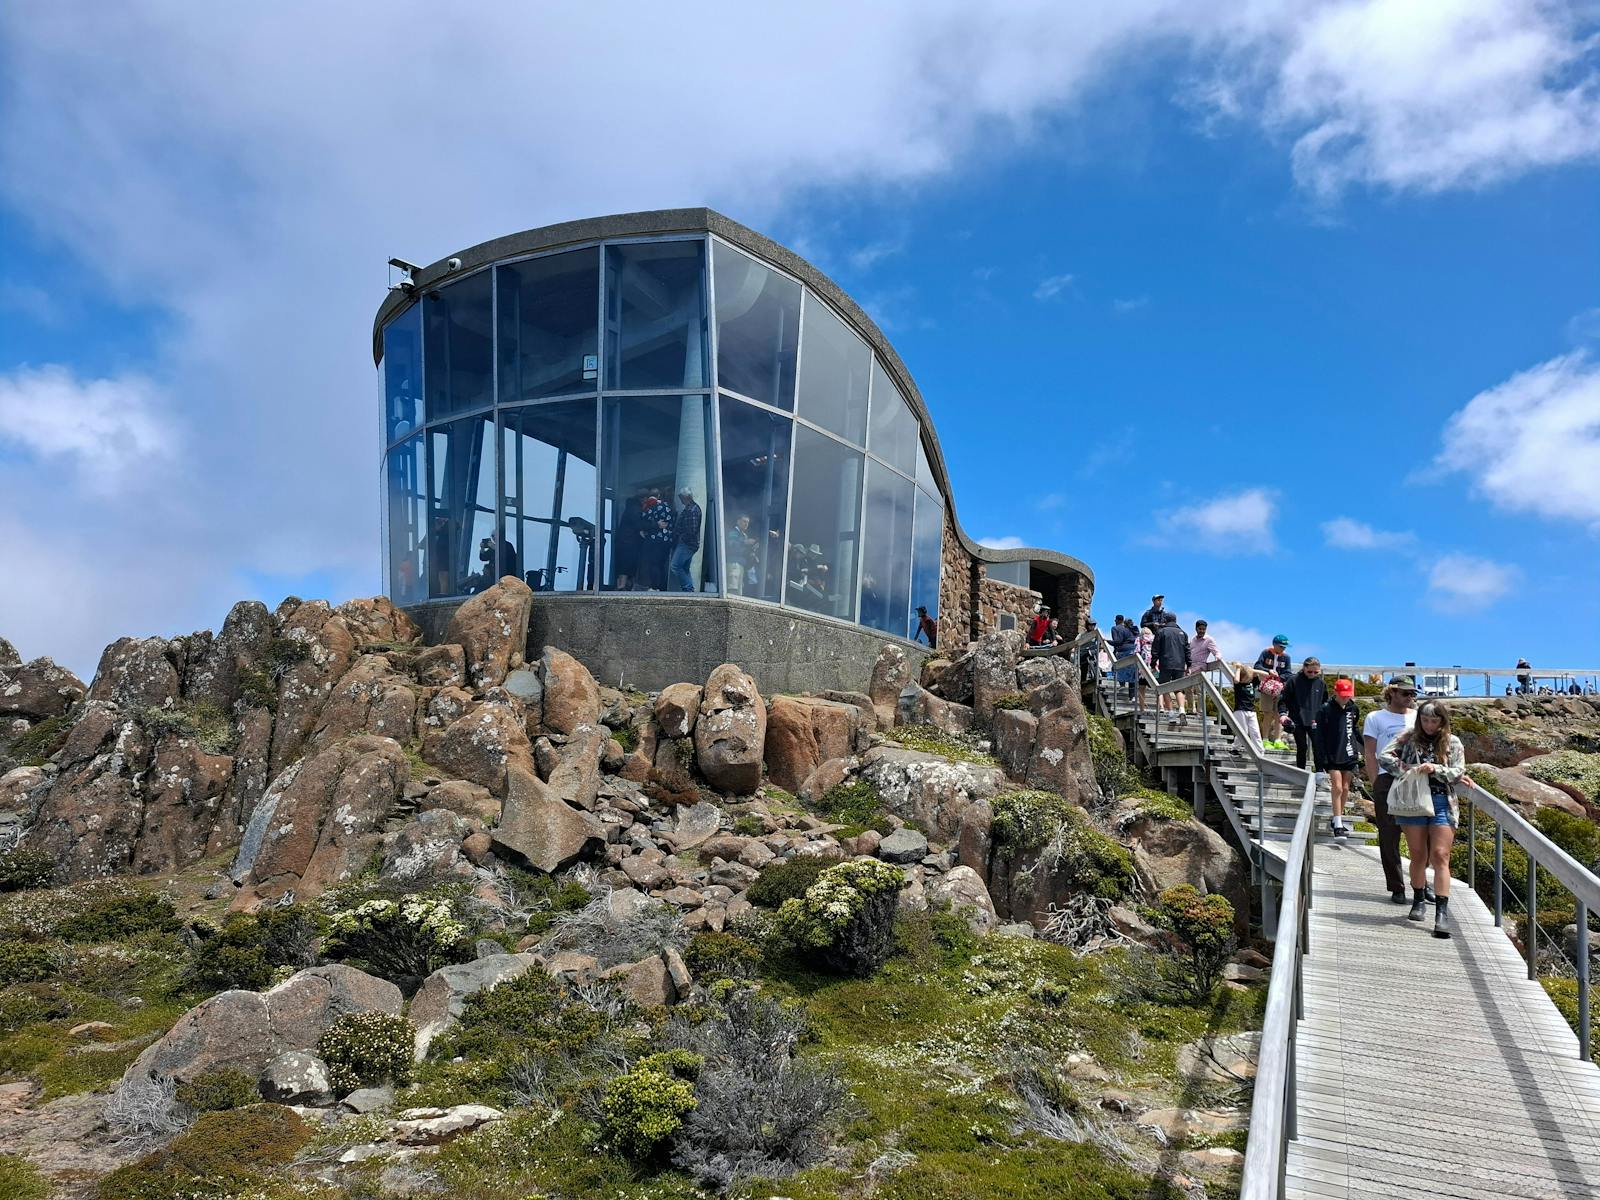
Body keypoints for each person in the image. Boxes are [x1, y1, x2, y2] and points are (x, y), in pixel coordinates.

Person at [1379, 699, 1466, 938]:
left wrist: (1436, 769)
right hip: (1412, 802)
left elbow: (1459, 770)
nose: (1429, 725)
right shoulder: (1409, 737)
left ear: (1442, 721)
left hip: (1441, 802)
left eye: (1434, 720)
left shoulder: (1453, 742)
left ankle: (1442, 913)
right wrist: (1408, 769)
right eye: (1425, 720)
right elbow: (1384, 756)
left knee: (1440, 855)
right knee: (1418, 854)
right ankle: (1418, 899)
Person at [1364, 675, 1418, 903]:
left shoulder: (1418, 717)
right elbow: (1369, 753)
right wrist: (1376, 781)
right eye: (1405, 693)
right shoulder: (1375, 717)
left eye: (1412, 694)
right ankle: (1397, 887)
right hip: (1387, 779)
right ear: (1392, 692)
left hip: (1414, 779)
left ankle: (1421, 886)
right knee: (1388, 834)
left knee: (1420, 834)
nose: (1409, 697)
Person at [1314, 678, 1362, 838]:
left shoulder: (1353, 708)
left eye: (1348, 695)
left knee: (1346, 788)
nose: (1345, 698)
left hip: (1349, 752)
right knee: (1338, 787)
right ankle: (1338, 823)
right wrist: (1319, 765)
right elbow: (1319, 736)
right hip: (1332, 753)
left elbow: (1354, 729)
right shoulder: (1325, 709)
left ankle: (1337, 818)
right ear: (1335, 692)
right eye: (1342, 695)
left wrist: (1366, 745)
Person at [1279, 657, 1326, 770]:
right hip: (1297, 719)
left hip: (1315, 719)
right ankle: (1301, 772)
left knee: (1318, 746)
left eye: (1316, 672)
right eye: (1309, 671)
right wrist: (1283, 714)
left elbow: (1325, 703)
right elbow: (1283, 699)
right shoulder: (1293, 680)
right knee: (1302, 747)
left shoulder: (1321, 683)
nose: (1312, 674)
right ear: (1304, 668)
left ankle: (1319, 772)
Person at [1151, 612, 1190, 726]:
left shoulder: (1161, 632)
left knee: (1165, 688)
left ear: (1165, 620)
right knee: (1178, 689)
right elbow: (1187, 650)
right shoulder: (1183, 633)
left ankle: (1171, 715)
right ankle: (1182, 710)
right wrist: (1189, 665)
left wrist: (1153, 663)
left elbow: (1155, 649)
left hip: (1166, 663)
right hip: (1179, 664)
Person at [1254, 635, 1292, 738]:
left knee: (1279, 714)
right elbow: (1257, 666)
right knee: (1267, 713)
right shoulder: (1266, 653)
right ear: (1274, 644)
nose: (1283, 648)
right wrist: (1268, 671)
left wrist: (1279, 677)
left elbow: (1288, 673)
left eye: (1284, 646)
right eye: (1281, 646)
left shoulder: (1286, 657)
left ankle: (1278, 739)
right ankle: (1265, 738)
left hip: (1279, 688)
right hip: (1266, 687)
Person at [668, 488, 702, 592]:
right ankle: (689, 589)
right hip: (690, 544)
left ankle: (688, 587)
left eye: (681, 498)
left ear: (685, 497)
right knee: (685, 568)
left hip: (687, 544)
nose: (680, 500)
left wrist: (680, 538)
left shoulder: (691, 510)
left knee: (675, 566)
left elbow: (691, 530)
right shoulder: (691, 508)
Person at [638, 491, 673, 590]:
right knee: (661, 565)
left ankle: (654, 587)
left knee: (654, 564)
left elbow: (643, 521)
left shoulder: (650, 507)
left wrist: (644, 529)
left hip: (654, 541)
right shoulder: (668, 507)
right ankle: (662, 587)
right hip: (666, 541)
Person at [613, 488, 646, 590]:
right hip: (629, 542)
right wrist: (654, 525)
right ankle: (622, 586)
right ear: (643, 498)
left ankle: (620, 586)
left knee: (622, 566)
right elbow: (638, 524)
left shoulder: (630, 506)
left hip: (624, 541)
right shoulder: (635, 508)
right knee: (626, 565)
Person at [1232, 663, 1263, 752]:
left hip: (1251, 711)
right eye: (1247, 677)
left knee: (1255, 732)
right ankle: (1235, 748)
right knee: (1243, 731)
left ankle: (1260, 751)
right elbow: (1237, 680)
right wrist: (1238, 668)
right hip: (1240, 710)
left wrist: (1252, 671)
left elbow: (1265, 674)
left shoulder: (1252, 683)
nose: (1250, 678)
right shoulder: (1238, 685)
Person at [1110, 615, 1137, 699]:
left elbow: (1117, 641)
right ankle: (1132, 696)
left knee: (1118, 667)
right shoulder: (1134, 629)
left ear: (1117, 620)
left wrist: (1107, 641)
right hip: (1134, 650)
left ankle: (1122, 685)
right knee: (1132, 672)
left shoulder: (1115, 628)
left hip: (1122, 651)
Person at [1135, 623, 1155, 707]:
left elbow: (1136, 651)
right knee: (1157, 686)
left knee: (1141, 687)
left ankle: (1142, 707)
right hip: (1154, 666)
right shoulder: (1155, 638)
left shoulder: (1139, 639)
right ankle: (1161, 706)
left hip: (1142, 667)